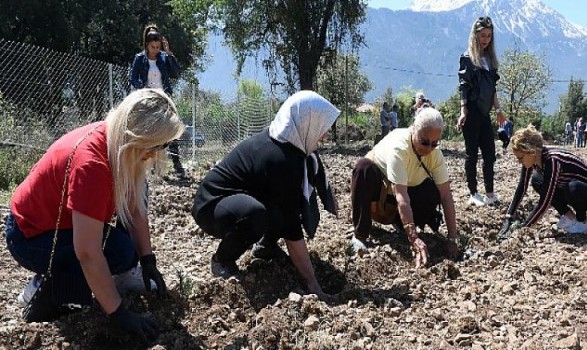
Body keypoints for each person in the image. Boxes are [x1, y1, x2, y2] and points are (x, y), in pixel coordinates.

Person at [5, 89, 184, 342]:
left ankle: (88, 279)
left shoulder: (117, 142)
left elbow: (134, 209)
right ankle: (45, 286)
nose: (157, 153)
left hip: (57, 227)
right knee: (115, 252)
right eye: (155, 145)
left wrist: (147, 260)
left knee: (125, 252)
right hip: (30, 237)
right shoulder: (93, 165)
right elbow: (87, 251)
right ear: (138, 137)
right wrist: (118, 313)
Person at [192, 91, 339, 301]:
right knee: (256, 214)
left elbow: (308, 176)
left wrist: (328, 192)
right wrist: (312, 283)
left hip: (237, 200)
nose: (324, 136)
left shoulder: (291, 144)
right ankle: (222, 260)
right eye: (321, 128)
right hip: (212, 206)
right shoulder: (280, 158)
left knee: (281, 206)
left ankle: (265, 247)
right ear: (307, 123)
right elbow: (291, 229)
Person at [349, 107, 460, 268]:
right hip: (381, 198)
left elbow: (446, 196)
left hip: (405, 195)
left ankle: (401, 226)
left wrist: (452, 238)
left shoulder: (435, 155)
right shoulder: (399, 148)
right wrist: (413, 238)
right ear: (414, 130)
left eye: (434, 143)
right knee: (363, 168)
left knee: (433, 190)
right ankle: (360, 235)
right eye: (424, 142)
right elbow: (401, 196)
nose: (428, 148)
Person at [498, 124, 587, 239]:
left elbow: (545, 200)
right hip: (577, 191)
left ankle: (581, 223)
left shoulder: (552, 160)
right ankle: (569, 218)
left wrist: (524, 228)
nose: (519, 162)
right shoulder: (534, 161)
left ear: (531, 151)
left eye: (521, 158)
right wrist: (509, 218)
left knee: (572, 187)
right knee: (537, 180)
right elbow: (522, 188)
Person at [457, 16, 505, 207]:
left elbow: (492, 89)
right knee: (471, 155)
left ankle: (490, 193)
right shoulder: (468, 58)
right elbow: (463, 87)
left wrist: (498, 109)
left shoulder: (490, 60)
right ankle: (473, 192)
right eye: (482, 35)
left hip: (484, 114)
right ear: (475, 35)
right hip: (472, 112)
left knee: (489, 154)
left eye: (489, 36)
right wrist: (463, 111)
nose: (485, 39)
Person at [129, 24, 185, 178]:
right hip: (148, 99)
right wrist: (145, 90)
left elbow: (176, 73)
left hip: (164, 98)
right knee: (151, 134)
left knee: (172, 130)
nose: (155, 49)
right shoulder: (139, 59)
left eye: (158, 46)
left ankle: (177, 165)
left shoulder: (163, 57)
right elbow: (133, 78)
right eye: (153, 46)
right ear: (147, 45)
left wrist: (169, 53)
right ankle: (152, 168)